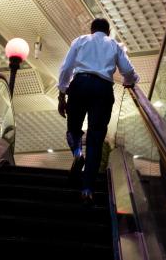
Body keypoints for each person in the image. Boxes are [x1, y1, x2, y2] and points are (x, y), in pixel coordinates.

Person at [57, 18, 139, 205]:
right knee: (95, 140)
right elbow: (127, 70)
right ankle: (87, 190)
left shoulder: (80, 40)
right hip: (103, 89)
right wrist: (131, 81)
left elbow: (66, 68)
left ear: (92, 30)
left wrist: (62, 95)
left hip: (79, 85)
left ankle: (78, 153)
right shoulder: (114, 45)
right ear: (108, 31)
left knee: (73, 130)